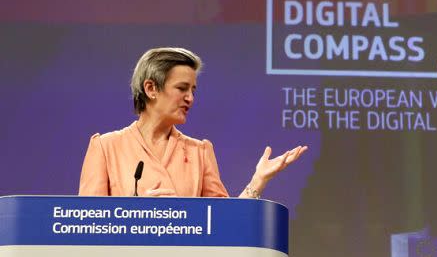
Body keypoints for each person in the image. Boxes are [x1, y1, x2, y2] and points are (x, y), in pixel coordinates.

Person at [79, 47, 306, 197]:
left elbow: (222, 222)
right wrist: (136, 216)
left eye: (193, 90)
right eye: (182, 88)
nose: (190, 98)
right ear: (151, 88)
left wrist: (258, 181)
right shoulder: (105, 147)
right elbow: (86, 225)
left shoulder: (200, 152)